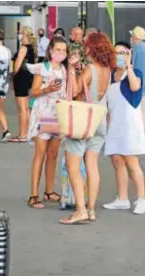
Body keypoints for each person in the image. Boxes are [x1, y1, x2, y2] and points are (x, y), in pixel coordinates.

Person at [60, 32, 115, 224]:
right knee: (92, 165)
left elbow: (75, 90)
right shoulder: (107, 70)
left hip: (82, 121)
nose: (85, 48)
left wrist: (72, 69)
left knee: (73, 166)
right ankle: (91, 209)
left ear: (92, 48)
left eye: (87, 46)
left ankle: (80, 209)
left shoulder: (90, 69)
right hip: (99, 119)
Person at [26, 36, 69, 209]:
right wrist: (47, 89)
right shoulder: (42, 68)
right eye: (58, 49)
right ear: (50, 50)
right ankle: (33, 194)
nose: (61, 53)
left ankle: (49, 191)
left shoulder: (65, 70)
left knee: (53, 153)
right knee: (40, 153)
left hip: (57, 112)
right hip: (43, 112)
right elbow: (34, 92)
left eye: (64, 50)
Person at [103, 42, 145, 215]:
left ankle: (142, 199)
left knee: (131, 162)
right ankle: (122, 199)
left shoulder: (135, 74)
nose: (119, 55)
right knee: (117, 160)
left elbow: (135, 87)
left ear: (129, 54)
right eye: (116, 52)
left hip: (130, 125)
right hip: (114, 124)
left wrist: (128, 67)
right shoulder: (111, 75)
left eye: (123, 52)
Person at [11, 26, 37, 143]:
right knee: (26, 108)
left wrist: (12, 75)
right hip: (28, 78)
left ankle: (22, 134)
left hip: (21, 78)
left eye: (21, 34)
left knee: (22, 108)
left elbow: (16, 66)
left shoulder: (23, 49)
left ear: (24, 35)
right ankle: (27, 133)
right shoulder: (32, 48)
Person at [130, 26, 145, 120]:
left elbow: (132, 66)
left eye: (132, 36)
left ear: (135, 38)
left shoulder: (135, 48)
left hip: (138, 83)